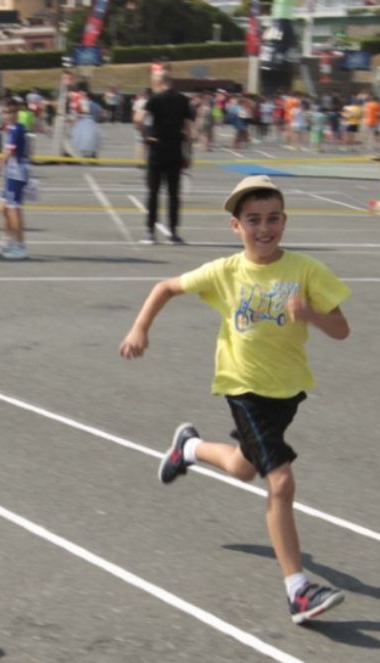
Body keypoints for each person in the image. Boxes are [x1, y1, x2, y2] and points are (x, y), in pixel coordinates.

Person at [118, 175, 351, 624]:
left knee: (245, 467)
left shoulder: (306, 271)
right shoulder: (226, 271)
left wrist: (312, 314)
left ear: (285, 221)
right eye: (253, 220)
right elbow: (166, 287)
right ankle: (298, 590)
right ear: (236, 226)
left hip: (287, 392)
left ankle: (188, 448)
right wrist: (139, 328)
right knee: (280, 482)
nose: (264, 229)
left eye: (273, 219)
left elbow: (342, 329)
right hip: (243, 388)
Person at [141, 75, 193, 245]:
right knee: (173, 195)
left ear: (159, 84)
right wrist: (188, 153)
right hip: (175, 150)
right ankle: (173, 233)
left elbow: (138, 119)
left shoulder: (154, 99)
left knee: (153, 193)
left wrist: (147, 136)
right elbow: (188, 129)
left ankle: (150, 232)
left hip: (157, 150)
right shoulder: (183, 100)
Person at [0, 100, 31, 260]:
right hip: (11, 172)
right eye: (5, 112)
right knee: (2, 207)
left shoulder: (17, 129)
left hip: (17, 174)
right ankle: (8, 241)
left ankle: (20, 246)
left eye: (11, 112)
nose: (7, 115)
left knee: (13, 209)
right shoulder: (10, 129)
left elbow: (7, 153)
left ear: (17, 113)